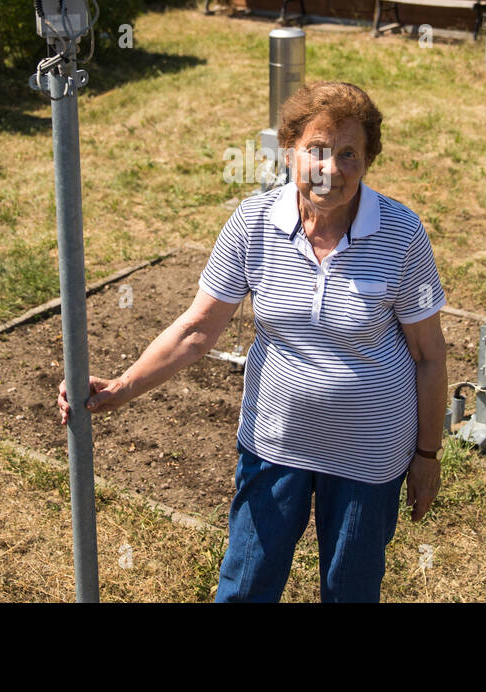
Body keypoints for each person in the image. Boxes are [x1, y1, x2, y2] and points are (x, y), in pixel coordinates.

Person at [59, 80, 448, 602]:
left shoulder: (402, 233)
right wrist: (121, 387)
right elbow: (197, 330)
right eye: (317, 150)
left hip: (370, 452)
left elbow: (428, 355)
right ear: (289, 152)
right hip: (275, 442)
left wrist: (427, 456)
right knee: (247, 585)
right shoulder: (255, 222)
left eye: (349, 154)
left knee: (350, 591)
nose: (331, 170)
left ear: (369, 159)